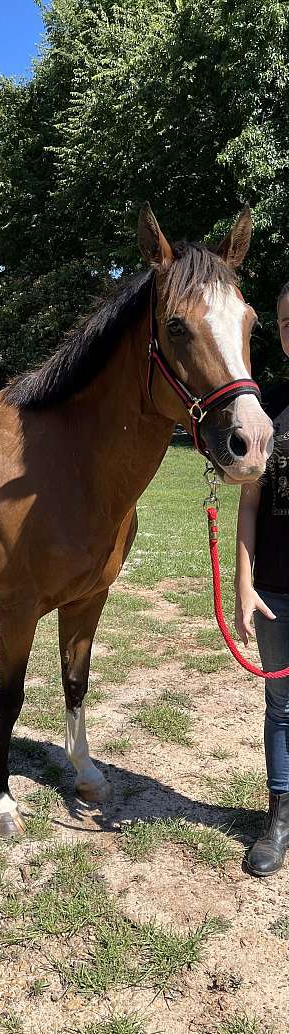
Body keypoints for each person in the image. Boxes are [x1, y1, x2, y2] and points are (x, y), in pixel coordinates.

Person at [234, 280, 289, 876]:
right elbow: (249, 505)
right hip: (275, 589)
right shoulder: (265, 408)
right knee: (281, 708)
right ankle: (279, 817)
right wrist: (244, 585)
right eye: (285, 321)